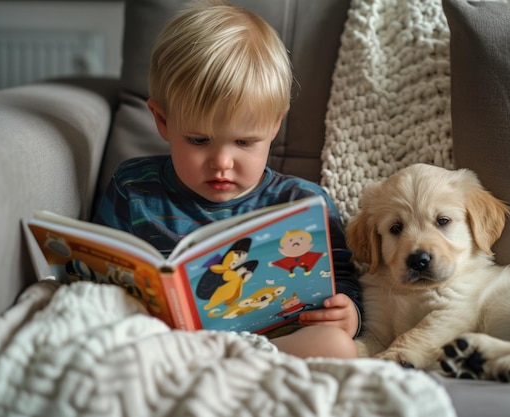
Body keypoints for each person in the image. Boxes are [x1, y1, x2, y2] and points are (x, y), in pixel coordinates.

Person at [93, 0, 362, 359]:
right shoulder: (134, 188)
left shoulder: (303, 204)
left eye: (244, 142)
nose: (221, 162)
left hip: (271, 345)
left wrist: (349, 314)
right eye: (199, 140)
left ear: (274, 125)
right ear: (162, 121)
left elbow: (343, 280)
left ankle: (223, 367)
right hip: (161, 341)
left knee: (336, 345)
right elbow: (99, 273)